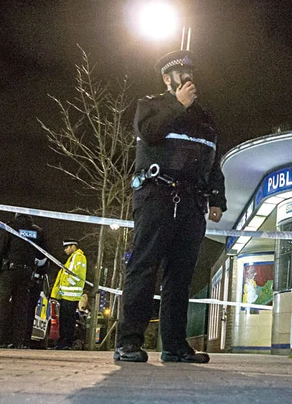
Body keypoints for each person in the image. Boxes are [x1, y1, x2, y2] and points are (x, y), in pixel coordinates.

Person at [114, 50, 225, 363]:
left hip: (192, 203)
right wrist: (178, 105)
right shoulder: (150, 105)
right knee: (144, 267)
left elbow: (212, 159)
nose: (189, 79)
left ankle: (175, 345)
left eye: (192, 73)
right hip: (156, 197)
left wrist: (217, 198)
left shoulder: (205, 117)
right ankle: (128, 343)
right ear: (167, 79)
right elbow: (149, 133)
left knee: (181, 275)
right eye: (181, 74)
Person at [0, 213, 47, 349]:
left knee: (1, 305)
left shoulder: (10, 227)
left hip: (9, 272)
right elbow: (43, 255)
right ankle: (18, 341)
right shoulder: (38, 232)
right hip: (27, 273)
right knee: (21, 308)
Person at [50, 239, 87, 349]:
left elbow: (77, 275)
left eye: (67, 247)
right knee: (64, 320)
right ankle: (63, 342)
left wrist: (67, 282)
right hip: (67, 294)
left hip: (71, 295)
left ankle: (66, 343)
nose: (65, 250)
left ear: (73, 246)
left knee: (68, 320)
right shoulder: (73, 258)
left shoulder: (78, 257)